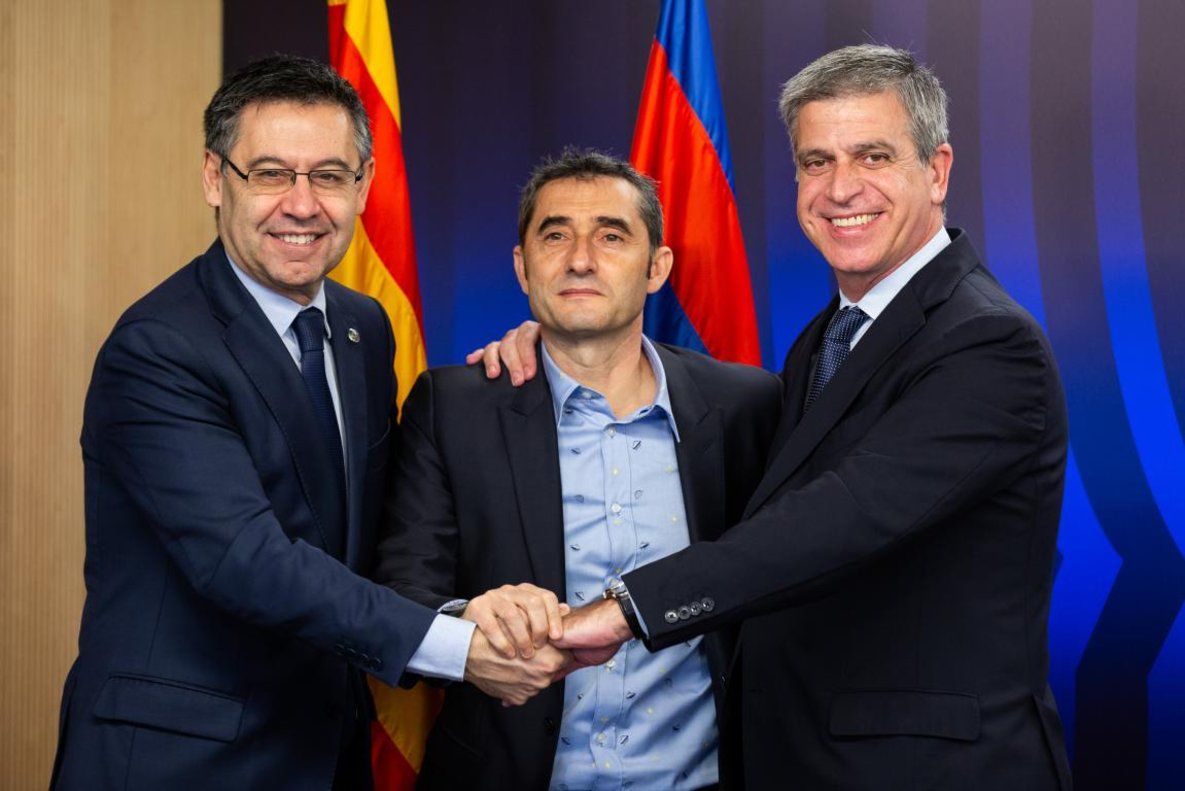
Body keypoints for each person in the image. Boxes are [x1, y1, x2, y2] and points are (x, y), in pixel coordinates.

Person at [478, 45, 1073, 790]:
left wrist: (624, 609)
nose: (840, 187)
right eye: (815, 161)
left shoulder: (985, 341)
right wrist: (566, 342)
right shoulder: (828, 338)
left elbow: (842, 515)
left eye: (872, 155)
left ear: (937, 170)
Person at [51, 56, 566, 791]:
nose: (302, 204)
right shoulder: (159, 348)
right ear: (212, 177)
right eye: (268, 174)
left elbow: (374, 527)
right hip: (180, 758)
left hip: (321, 745)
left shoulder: (362, 327)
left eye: (328, 175)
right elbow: (246, 559)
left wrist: (510, 376)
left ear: (363, 185)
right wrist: (454, 645)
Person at [372, 150, 781, 789]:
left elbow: (784, 572)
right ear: (522, 267)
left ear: (658, 267)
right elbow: (401, 588)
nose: (581, 258)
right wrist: (470, 619)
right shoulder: (453, 406)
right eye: (555, 234)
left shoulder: (749, 406)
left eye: (612, 236)